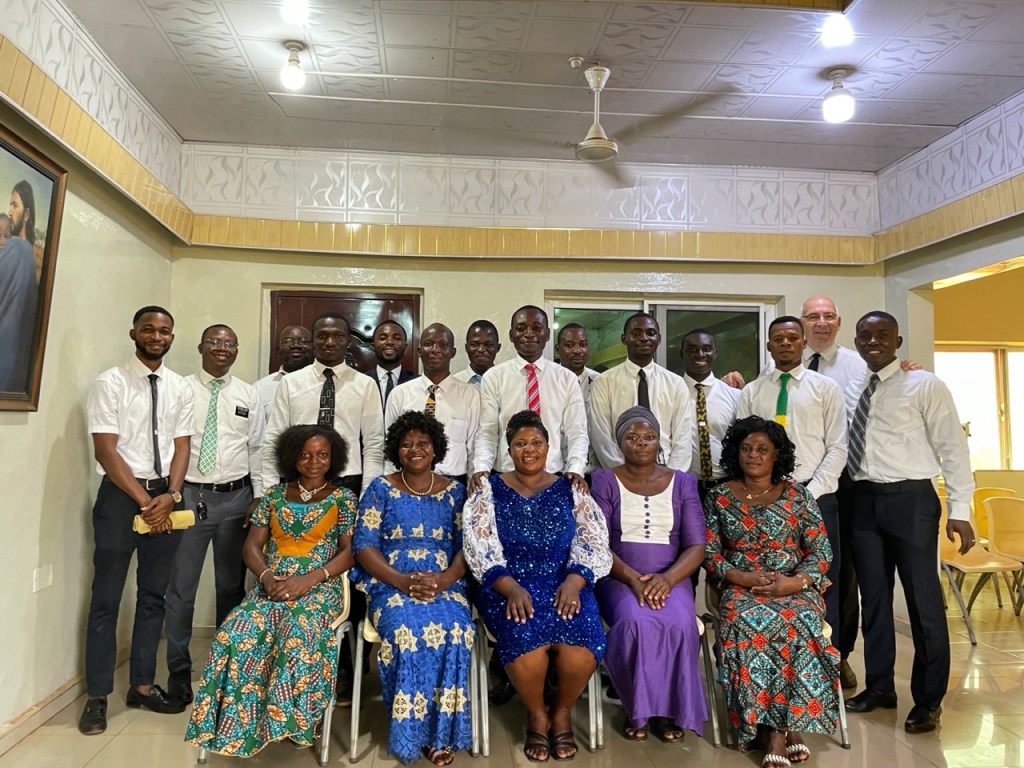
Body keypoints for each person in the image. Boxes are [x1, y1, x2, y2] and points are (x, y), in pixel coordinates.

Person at [185, 424, 357, 757]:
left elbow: (350, 552)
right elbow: (251, 546)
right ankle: (237, 724)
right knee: (233, 633)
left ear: (333, 458)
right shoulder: (274, 497)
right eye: (305, 455)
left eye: (322, 455)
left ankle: (294, 721)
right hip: (272, 585)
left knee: (296, 633)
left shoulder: (343, 499)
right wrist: (266, 578)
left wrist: (309, 579)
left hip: (320, 587)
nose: (314, 461)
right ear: (292, 457)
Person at [843, 311, 975, 734]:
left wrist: (961, 510)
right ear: (856, 342)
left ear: (898, 342)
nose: (873, 341)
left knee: (924, 602)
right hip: (862, 500)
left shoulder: (926, 385)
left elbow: (953, 447)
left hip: (911, 500)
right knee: (873, 600)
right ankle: (880, 686)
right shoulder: (850, 386)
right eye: (865, 335)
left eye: (883, 334)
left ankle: (929, 700)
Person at [464, 410, 612, 762]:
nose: (529, 449)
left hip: (566, 581)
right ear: (508, 450)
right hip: (506, 585)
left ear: (549, 446)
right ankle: (536, 714)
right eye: (520, 444)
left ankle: (561, 711)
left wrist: (574, 582)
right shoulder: (487, 491)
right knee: (525, 638)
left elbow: (592, 541)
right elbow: (480, 547)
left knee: (581, 643)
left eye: (536, 442)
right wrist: (511, 588)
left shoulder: (572, 489)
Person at [79, 306, 195, 735]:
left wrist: (171, 495)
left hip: (165, 497)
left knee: (153, 597)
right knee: (106, 599)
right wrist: (147, 501)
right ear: (134, 333)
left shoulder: (180, 387)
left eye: (164, 330)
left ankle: (142, 686)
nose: (156, 336)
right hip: (121, 498)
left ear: (171, 337)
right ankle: (97, 696)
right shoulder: (109, 383)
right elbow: (106, 450)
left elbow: (182, 446)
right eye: (148, 329)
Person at [704, 415, 840, 768]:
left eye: (762, 449)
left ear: (776, 455)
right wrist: (741, 577)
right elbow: (709, 552)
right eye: (746, 448)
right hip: (741, 588)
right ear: (736, 453)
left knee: (797, 622)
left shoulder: (798, 495)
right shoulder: (719, 497)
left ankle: (779, 728)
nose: (753, 455)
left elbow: (821, 552)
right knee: (746, 623)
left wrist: (794, 583)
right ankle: (779, 731)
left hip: (794, 586)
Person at [350, 411, 474, 765]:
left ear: (436, 448)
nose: (415, 449)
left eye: (423, 443)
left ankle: (439, 735)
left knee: (458, 629)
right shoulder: (380, 489)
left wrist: (445, 580)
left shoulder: (456, 492)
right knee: (406, 632)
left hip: (444, 582)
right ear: (396, 450)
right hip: (390, 583)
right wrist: (401, 581)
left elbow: (467, 547)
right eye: (406, 444)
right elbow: (364, 545)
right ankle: (411, 733)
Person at [591, 407, 707, 743]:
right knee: (635, 621)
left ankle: (668, 710)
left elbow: (697, 545)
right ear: (620, 443)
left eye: (649, 437)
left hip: (672, 576)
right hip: (618, 575)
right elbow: (597, 542)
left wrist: (668, 579)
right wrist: (631, 579)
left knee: (680, 623)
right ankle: (637, 706)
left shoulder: (683, 481)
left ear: (659, 442)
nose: (641, 443)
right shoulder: (603, 479)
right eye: (632, 437)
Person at [164, 324, 264, 706]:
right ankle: (178, 670)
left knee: (230, 587)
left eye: (229, 343)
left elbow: (257, 447)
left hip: (237, 499)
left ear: (236, 350)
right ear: (201, 347)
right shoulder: (181, 388)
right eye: (215, 342)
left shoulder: (248, 394)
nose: (222, 348)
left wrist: (259, 495)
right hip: (190, 496)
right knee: (182, 588)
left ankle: (227, 667)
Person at [736, 316, 847, 640]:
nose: (786, 343)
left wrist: (809, 492)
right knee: (769, 573)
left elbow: (838, 447)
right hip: (764, 500)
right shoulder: (753, 391)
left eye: (792, 338)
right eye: (778, 339)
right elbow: (743, 447)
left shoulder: (826, 388)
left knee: (824, 578)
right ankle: (775, 647)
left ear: (804, 343)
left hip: (815, 495)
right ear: (769, 346)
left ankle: (829, 654)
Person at [798, 296, 866, 689]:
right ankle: (801, 649)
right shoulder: (782, 367)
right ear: (802, 323)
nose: (820, 323)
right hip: (798, 488)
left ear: (839, 322)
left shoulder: (857, 365)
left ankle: (839, 654)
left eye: (828, 316)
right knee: (800, 569)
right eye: (813, 316)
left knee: (840, 575)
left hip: (845, 485)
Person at [262, 312, 384, 498]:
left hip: (347, 479)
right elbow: (274, 438)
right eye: (322, 336)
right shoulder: (291, 383)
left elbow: (374, 443)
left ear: (348, 341)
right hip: (298, 478)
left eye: (338, 336)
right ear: (313, 341)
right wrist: (268, 491)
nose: (330, 342)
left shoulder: (365, 385)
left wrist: (368, 493)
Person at [472, 306, 588, 491]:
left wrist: (576, 469)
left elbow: (577, 432)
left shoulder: (566, 378)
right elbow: (487, 431)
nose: (529, 334)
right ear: (511, 335)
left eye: (536, 328)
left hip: (553, 478)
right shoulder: (494, 377)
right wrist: (481, 468)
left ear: (547, 334)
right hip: (506, 478)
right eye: (521, 328)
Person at [589, 312, 692, 471]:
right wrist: (625, 475)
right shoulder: (604, 382)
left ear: (659, 339)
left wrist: (671, 476)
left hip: (667, 471)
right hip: (621, 473)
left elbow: (683, 438)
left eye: (650, 333)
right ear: (624, 338)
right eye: (636, 333)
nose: (644, 338)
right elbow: (601, 438)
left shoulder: (675, 383)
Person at [386, 323, 480, 485]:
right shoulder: (399, 394)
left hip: (453, 482)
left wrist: (474, 490)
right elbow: (390, 446)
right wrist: (390, 486)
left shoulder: (470, 395)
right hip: (408, 482)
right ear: (419, 351)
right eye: (428, 344)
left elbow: (474, 448)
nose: (435, 350)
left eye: (443, 345)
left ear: (453, 352)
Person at [680, 328, 741, 503]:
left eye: (706, 349)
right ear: (682, 353)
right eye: (692, 349)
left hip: (727, 485)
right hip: (685, 486)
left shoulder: (734, 395)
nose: (700, 354)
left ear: (715, 353)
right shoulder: (671, 394)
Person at [0, 180, 38, 391]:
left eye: (15, 205)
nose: (10, 210)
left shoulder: (17, 247)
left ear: (26, 214)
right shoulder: (28, 253)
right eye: (10, 204)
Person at [256, 324, 313, 425]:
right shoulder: (259, 389)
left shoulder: (325, 383)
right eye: (287, 341)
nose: (295, 345)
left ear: (314, 348)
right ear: (278, 349)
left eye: (303, 341)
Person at [365, 319, 418, 407]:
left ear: (405, 346)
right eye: (383, 338)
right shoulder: (361, 382)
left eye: (396, 338)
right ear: (373, 346)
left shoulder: (417, 382)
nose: (389, 342)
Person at [555, 323, 599, 406]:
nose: (577, 351)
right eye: (570, 345)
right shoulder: (548, 380)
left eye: (583, 345)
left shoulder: (599, 380)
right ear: (557, 349)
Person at [452, 319, 501, 386]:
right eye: (474, 344)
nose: (481, 349)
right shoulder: (453, 384)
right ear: (466, 348)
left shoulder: (507, 381)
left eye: (488, 345)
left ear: (498, 348)